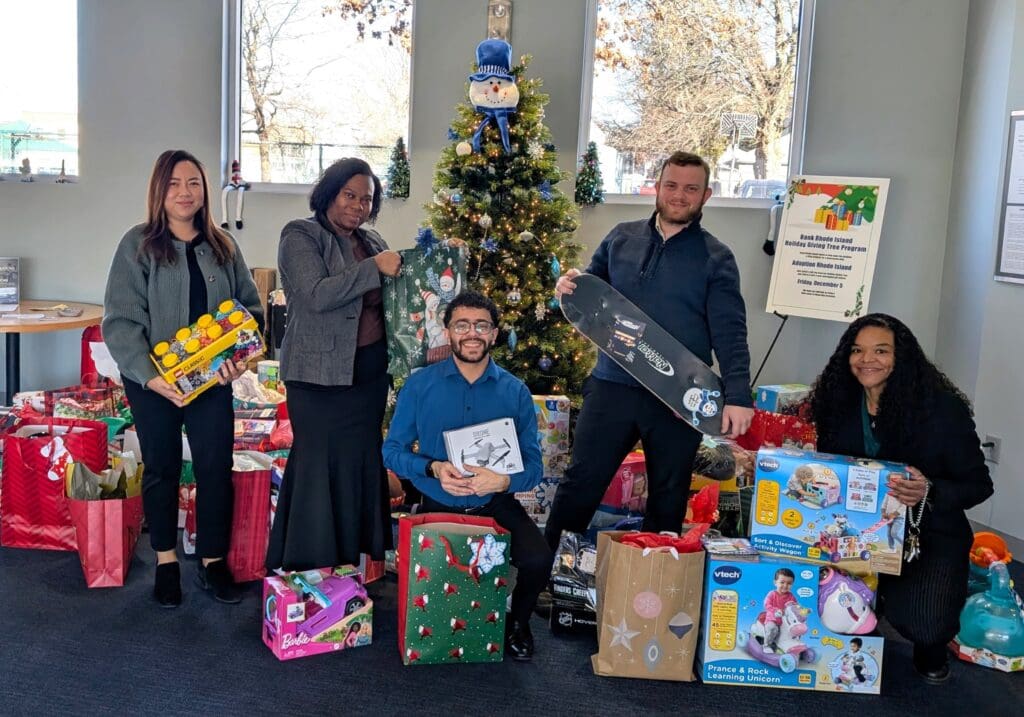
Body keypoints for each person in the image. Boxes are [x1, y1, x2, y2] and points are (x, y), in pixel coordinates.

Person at [544, 151, 754, 549]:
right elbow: (592, 294)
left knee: (669, 495)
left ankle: (654, 591)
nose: (679, 195)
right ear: (657, 188)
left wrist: (738, 396)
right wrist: (569, 286)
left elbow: (730, 332)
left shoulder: (716, 257)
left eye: (691, 189)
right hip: (612, 385)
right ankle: (548, 574)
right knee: (581, 483)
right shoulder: (621, 237)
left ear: (706, 195)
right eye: (671, 185)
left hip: (679, 396)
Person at [103, 149, 264, 607]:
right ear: (159, 189)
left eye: (193, 183)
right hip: (154, 382)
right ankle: (167, 561)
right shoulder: (137, 246)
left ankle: (213, 561)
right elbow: (120, 321)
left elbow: (248, 311)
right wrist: (151, 378)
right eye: (174, 183)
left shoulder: (223, 247)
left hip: (212, 383)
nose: (184, 192)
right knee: (162, 467)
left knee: (215, 468)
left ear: (205, 191)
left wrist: (238, 359)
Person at [809, 313, 993, 684]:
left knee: (925, 624)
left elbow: (979, 484)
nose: (867, 360)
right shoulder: (837, 402)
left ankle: (931, 643)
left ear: (901, 357)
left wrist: (930, 490)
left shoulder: (941, 410)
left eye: (881, 351)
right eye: (857, 350)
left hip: (926, 537)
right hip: (855, 533)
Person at [382, 291, 551, 662]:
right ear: (448, 333)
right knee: (442, 580)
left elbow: (535, 468)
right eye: (462, 325)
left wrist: (503, 481)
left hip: (494, 503)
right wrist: (433, 468)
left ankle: (518, 623)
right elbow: (391, 450)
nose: (471, 333)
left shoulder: (515, 391)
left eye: (481, 325)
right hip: (439, 501)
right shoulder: (419, 386)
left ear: (493, 334)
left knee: (539, 559)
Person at [266, 157, 402, 572]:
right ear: (329, 193)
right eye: (349, 195)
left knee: (359, 465)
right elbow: (316, 294)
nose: (358, 206)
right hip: (318, 379)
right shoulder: (301, 235)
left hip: (368, 377)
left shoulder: (373, 241)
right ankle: (309, 567)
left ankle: (351, 566)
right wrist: (372, 270)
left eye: (366, 199)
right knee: (318, 469)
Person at [762, 568, 798, 652]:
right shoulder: (772, 594)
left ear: (792, 584)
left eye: (789, 583)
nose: (785, 585)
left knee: (794, 630)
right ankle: (767, 645)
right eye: (782, 582)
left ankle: (792, 645)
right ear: (775, 582)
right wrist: (776, 610)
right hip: (773, 619)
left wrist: (801, 611)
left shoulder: (791, 596)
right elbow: (767, 604)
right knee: (772, 628)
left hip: (785, 622)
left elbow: (795, 606)